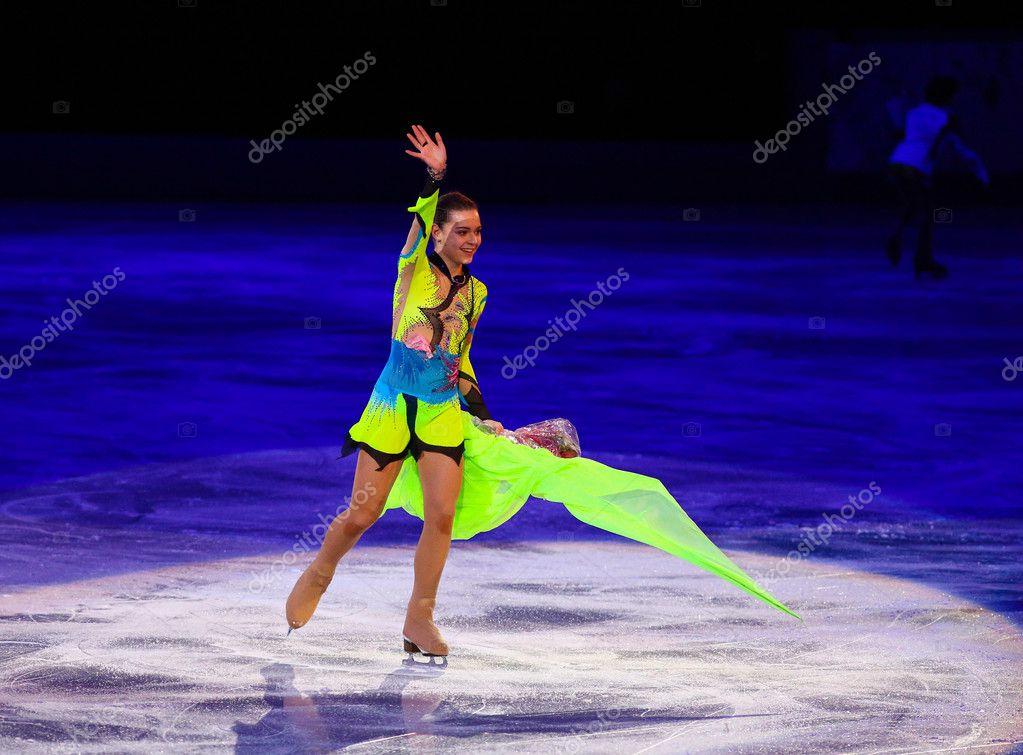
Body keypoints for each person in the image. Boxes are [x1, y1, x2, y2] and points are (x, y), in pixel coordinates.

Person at [286, 126, 801, 660]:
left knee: (443, 517)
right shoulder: (412, 270)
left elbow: (460, 362)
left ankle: (420, 616)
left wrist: (483, 415)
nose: (471, 240)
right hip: (391, 411)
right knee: (362, 516)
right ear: (436, 235)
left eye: (478, 232)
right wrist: (436, 176)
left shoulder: (477, 293)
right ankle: (321, 572)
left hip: (440, 415)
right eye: (461, 230)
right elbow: (418, 216)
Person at [886, 75, 989, 279]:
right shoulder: (947, 117)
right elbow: (957, 146)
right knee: (927, 213)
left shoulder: (914, 112)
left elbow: (902, 134)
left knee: (918, 208)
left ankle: (900, 240)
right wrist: (979, 171)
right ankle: (921, 259)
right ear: (948, 96)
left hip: (897, 163)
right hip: (915, 168)